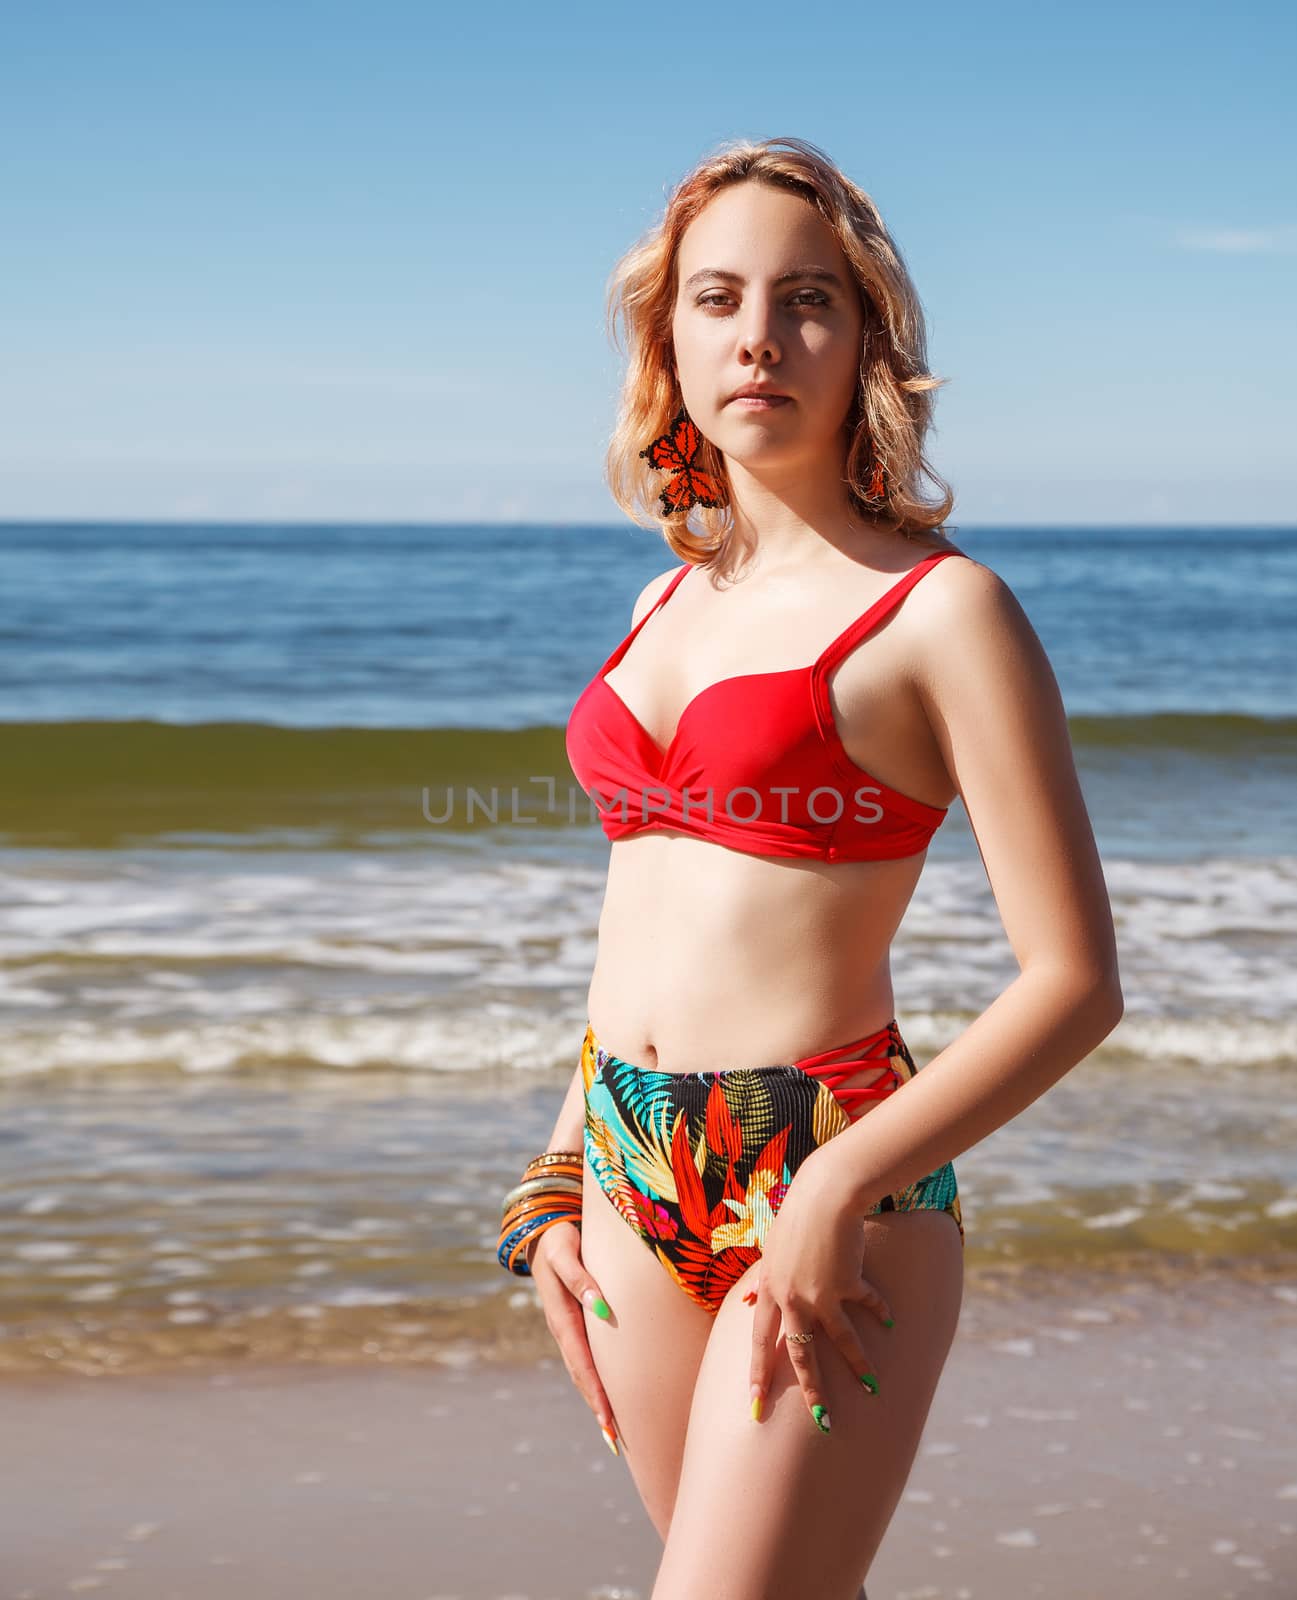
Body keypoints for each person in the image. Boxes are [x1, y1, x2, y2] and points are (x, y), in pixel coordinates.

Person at [496, 135, 1123, 1600]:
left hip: (830, 1162)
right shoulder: (663, 594)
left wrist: (840, 1185)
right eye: (716, 299)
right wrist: (554, 1166)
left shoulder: (941, 612)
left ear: (867, 341)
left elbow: (1076, 983)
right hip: (628, 1160)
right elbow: (645, 914)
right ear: (670, 336)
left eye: (807, 301)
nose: (759, 338)